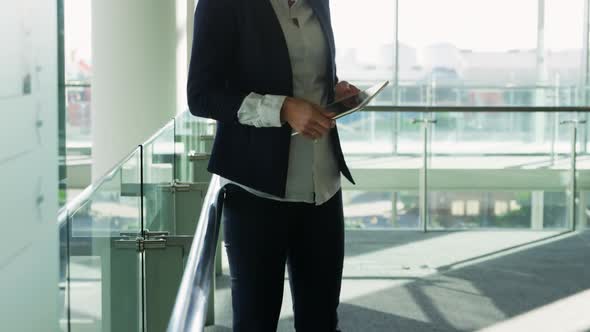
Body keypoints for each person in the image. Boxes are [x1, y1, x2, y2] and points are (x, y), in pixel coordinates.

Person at [187, 0, 359, 330]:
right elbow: (202, 96)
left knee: (321, 320)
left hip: (321, 188)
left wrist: (335, 93)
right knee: (256, 321)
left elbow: (311, 77)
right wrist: (281, 109)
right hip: (256, 192)